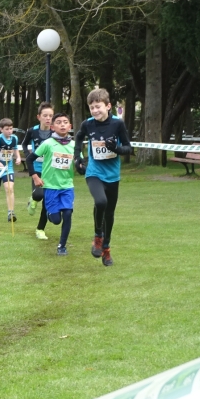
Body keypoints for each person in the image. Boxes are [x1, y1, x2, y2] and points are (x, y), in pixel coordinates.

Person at [74, 88, 133, 267]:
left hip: (112, 175)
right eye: (91, 107)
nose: (95, 111)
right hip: (94, 172)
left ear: (108, 106)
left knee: (109, 213)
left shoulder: (117, 124)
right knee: (100, 202)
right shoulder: (88, 124)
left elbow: (128, 148)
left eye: (98, 106)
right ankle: (98, 236)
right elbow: (78, 138)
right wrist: (78, 158)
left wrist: (115, 148)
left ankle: (106, 248)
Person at [27, 112, 76, 256]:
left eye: (65, 122)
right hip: (51, 187)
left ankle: (62, 246)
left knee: (67, 214)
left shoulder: (74, 145)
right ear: (53, 127)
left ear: (70, 126)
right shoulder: (48, 144)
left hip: (67, 186)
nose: (62, 125)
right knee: (56, 220)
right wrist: (35, 177)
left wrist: (82, 167)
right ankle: (50, 212)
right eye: (59, 122)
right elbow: (30, 159)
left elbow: (80, 162)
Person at [21, 103, 54, 240]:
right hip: (36, 168)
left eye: (50, 116)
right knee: (39, 194)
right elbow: (24, 143)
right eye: (45, 116)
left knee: (46, 201)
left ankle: (40, 229)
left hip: (50, 170)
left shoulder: (55, 132)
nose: (48, 118)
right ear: (39, 117)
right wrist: (28, 154)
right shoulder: (32, 131)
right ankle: (33, 199)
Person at [0, 118, 22, 223]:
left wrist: (18, 157)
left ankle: (11, 212)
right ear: (1, 129)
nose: (9, 131)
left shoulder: (14, 138)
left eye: (11, 128)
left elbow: (15, 148)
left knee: (9, 188)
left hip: (8, 168)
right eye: (7, 129)